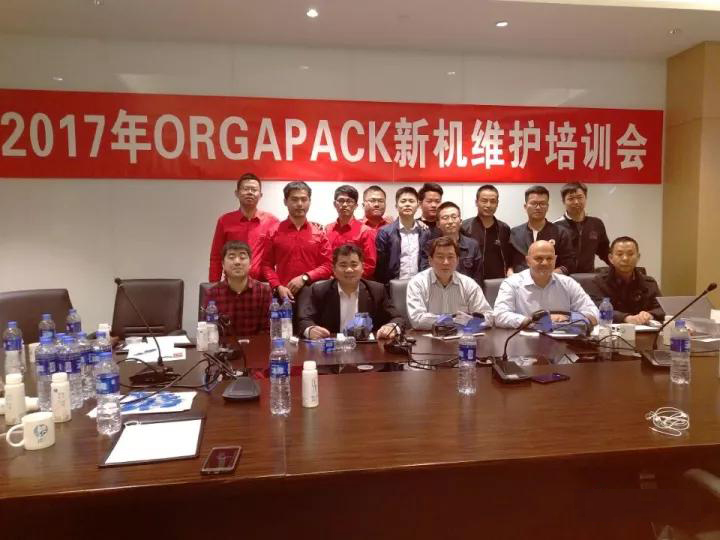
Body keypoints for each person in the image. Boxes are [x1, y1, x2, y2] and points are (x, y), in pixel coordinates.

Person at [297, 244, 404, 339]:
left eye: (354, 264)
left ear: (362, 268)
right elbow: (304, 320)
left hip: (367, 349)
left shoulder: (377, 290)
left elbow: (397, 318)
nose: (349, 270)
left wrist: (391, 327)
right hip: (331, 348)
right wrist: (310, 330)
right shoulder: (319, 290)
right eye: (343, 265)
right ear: (334, 269)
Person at [494, 241, 599, 329]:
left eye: (549, 258)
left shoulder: (568, 283)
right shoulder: (512, 283)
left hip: (564, 341)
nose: (545, 263)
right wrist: (533, 321)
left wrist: (569, 319)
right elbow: (499, 316)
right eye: (539, 258)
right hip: (524, 340)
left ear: (555, 260)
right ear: (528, 261)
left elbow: (594, 313)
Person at [261, 181, 332, 300]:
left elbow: (328, 265)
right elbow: (266, 265)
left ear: (309, 201)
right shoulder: (274, 231)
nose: (299, 204)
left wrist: (305, 277)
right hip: (283, 294)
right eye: (294, 199)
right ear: (285, 201)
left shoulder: (319, 233)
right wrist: (277, 286)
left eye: (304, 199)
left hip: (313, 295)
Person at [406, 236, 493, 330]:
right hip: (428, 336)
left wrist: (447, 321)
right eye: (440, 257)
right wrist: (455, 320)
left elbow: (488, 316)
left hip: (462, 336)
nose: (446, 262)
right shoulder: (417, 283)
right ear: (430, 260)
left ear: (457, 261)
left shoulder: (469, 284)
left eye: (450, 257)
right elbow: (417, 319)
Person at [208, 173, 278, 282]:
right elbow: (216, 257)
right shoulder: (225, 221)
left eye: (254, 190)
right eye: (245, 189)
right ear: (237, 193)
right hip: (232, 284)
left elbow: (279, 257)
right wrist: (213, 285)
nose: (250, 192)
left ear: (260, 195)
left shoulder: (272, 222)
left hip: (262, 285)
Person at [587, 236, 664, 324]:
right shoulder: (598, 282)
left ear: (638, 257)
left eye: (630, 254)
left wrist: (650, 314)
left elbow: (662, 308)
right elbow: (595, 309)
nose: (625, 258)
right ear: (611, 258)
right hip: (611, 330)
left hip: (643, 330)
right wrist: (625, 318)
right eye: (619, 254)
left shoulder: (649, 283)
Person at [203, 241, 272, 336]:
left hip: (255, 344)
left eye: (242, 257)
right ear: (223, 264)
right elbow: (207, 330)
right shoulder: (212, 293)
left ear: (250, 263)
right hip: (223, 345)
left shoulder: (264, 292)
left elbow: (267, 330)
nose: (237, 262)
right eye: (231, 257)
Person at [509, 185, 576, 275]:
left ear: (547, 207)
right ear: (525, 206)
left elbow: (569, 263)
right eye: (533, 203)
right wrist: (511, 275)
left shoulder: (560, 233)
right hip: (520, 281)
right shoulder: (514, 233)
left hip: (552, 281)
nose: (538, 207)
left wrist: (548, 276)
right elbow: (508, 262)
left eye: (542, 203)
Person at [375, 187, 432, 284]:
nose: (407, 204)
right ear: (396, 206)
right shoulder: (385, 232)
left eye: (411, 201)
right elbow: (381, 265)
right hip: (393, 284)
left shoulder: (425, 232)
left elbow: (426, 260)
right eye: (403, 201)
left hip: (420, 284)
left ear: (418, 205)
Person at [553, 182, 610, 273]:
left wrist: (618, 266)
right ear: (563, 201)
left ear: (586, 198)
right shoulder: (555, 227)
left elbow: (604, 252)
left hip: (588, 277)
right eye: (571, 199)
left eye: (580, 197)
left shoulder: (596, 224)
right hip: (563, 277)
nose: (576, 202)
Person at [460, 184, 513, 280]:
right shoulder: (464, 227)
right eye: (484, 201)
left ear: (497, 203)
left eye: (493, 201)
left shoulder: (504, 228)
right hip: (472, 280)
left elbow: (509, 258)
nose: (488, 205)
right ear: (476, 202)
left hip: (499, 281)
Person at [422, 202, 482, 283]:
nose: (450, 221)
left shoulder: (472, 245)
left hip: (466, 289)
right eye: (445, 218)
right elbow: (426, 275)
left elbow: (478, 277)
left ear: (460, 221)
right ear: (438, 224)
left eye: (454, 217)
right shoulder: (430, 246)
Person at [325, 185, 377, 278]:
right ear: (335, 204)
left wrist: (346, 278)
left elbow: (369, 265)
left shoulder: (366, 231)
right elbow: (325, 259)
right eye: (341, 200)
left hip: (355, 282)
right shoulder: (327, 229)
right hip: (330, 280)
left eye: (349, 201)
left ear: (356, 205)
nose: (345, 205)